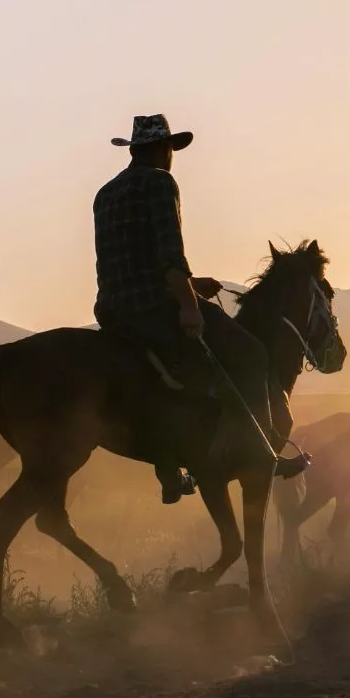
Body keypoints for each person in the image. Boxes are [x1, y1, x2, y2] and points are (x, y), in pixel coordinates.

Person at [94, 114, 306, 505]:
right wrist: (189, 304)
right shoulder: (160, 182)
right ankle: (262, 453)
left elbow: (128, 263)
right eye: (171, 149)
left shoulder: (104, 194)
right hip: (155, 308)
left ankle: (169, 468)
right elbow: (170, 255)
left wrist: (193, 286)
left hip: (112, 312)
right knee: (251, 354)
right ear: (163, 149)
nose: (172, 156)